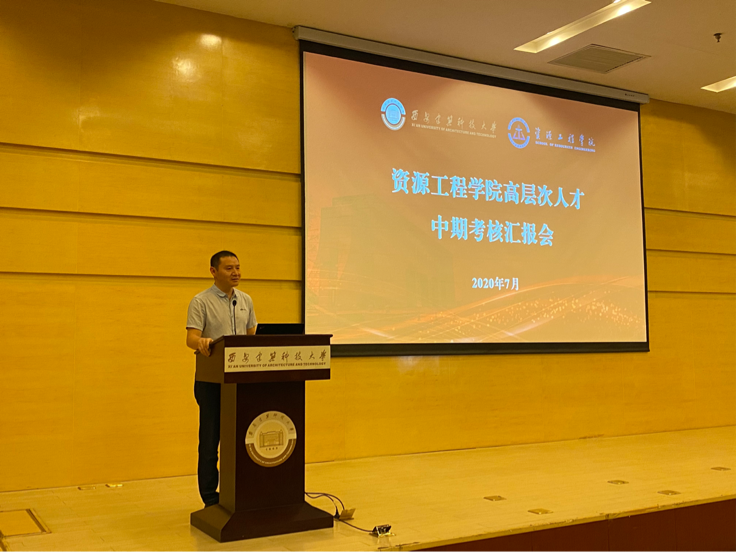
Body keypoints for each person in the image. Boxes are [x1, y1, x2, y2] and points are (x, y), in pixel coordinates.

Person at [186, 250, 257, 507]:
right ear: (213, 272)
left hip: (240, 381)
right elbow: (191, 338)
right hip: (212, 381)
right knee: (210, 440)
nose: (236, 272)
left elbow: (252, 336)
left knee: (241, 438)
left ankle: (238, 490)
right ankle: (209, 496)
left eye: (238, 267)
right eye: (229, 268)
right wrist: (202, 341)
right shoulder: (200, 301)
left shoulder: (245, 300)